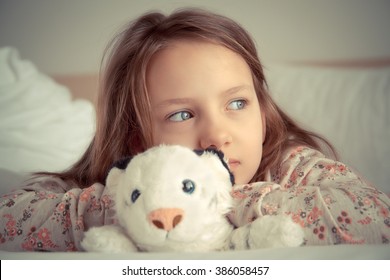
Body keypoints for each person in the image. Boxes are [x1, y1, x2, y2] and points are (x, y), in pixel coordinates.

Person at [0, 8, 389, 252]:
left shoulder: (288, 165)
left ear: (260, 109)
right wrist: (140, 207)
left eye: (237, 104)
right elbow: (8, 218)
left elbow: (376, 214)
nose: (218, 136)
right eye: (182, 115)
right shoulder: (117, 185)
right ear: (139, 139)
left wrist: (206, 205)